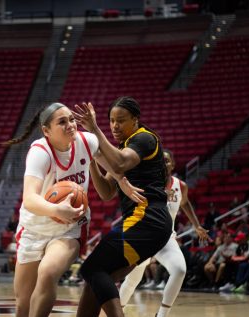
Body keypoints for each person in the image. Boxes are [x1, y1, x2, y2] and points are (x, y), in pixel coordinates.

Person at [0, 102, 99, 317]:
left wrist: (121, 180)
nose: (70, 124)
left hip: (69, 229)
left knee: (48, 272)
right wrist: (58, 210)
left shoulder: (88, 141)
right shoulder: (40, 152)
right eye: (62, 121)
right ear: (46, 131)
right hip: (35, 227)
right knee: (23, 303)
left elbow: (114, 166)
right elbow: (30, 199)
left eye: (71, 119)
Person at [73, 97, 173, 317]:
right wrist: (91, 158)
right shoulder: (123, 147)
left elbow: (119, 163)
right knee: (96, 280)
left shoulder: (145, 139)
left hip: (146, 218)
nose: (115, 126)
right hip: (149, 224)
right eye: (111, 121)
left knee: (91, 269)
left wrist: (95, 130)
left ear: (135, 120)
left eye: (121, 120)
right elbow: (107, 191)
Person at [119, 149, 210, 316]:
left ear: (173, 165)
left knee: (180, 270)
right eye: (161, 160)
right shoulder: (146, 182)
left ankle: (161, 315)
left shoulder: (180, 186)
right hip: (144, 236)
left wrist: (196, 225)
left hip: (165, 238)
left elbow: (186, 203)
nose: (164, 163)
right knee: (133, 278)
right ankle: (116, 312)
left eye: (167, 160)